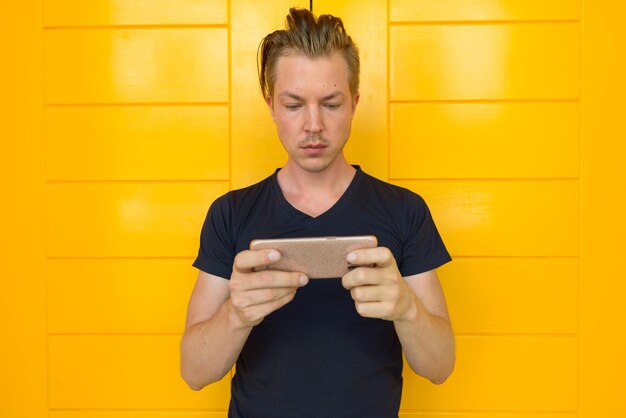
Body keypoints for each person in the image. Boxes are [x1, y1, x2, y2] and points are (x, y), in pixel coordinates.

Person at [180, 8, 454, 418]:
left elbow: (439, 366)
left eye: (330, 104)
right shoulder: (230, 215)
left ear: (355, 103)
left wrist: (407, 309)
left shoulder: (404, 211)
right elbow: (194, 372)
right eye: (294, 105)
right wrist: (235, 314)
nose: (313, 125)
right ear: (271, 104)